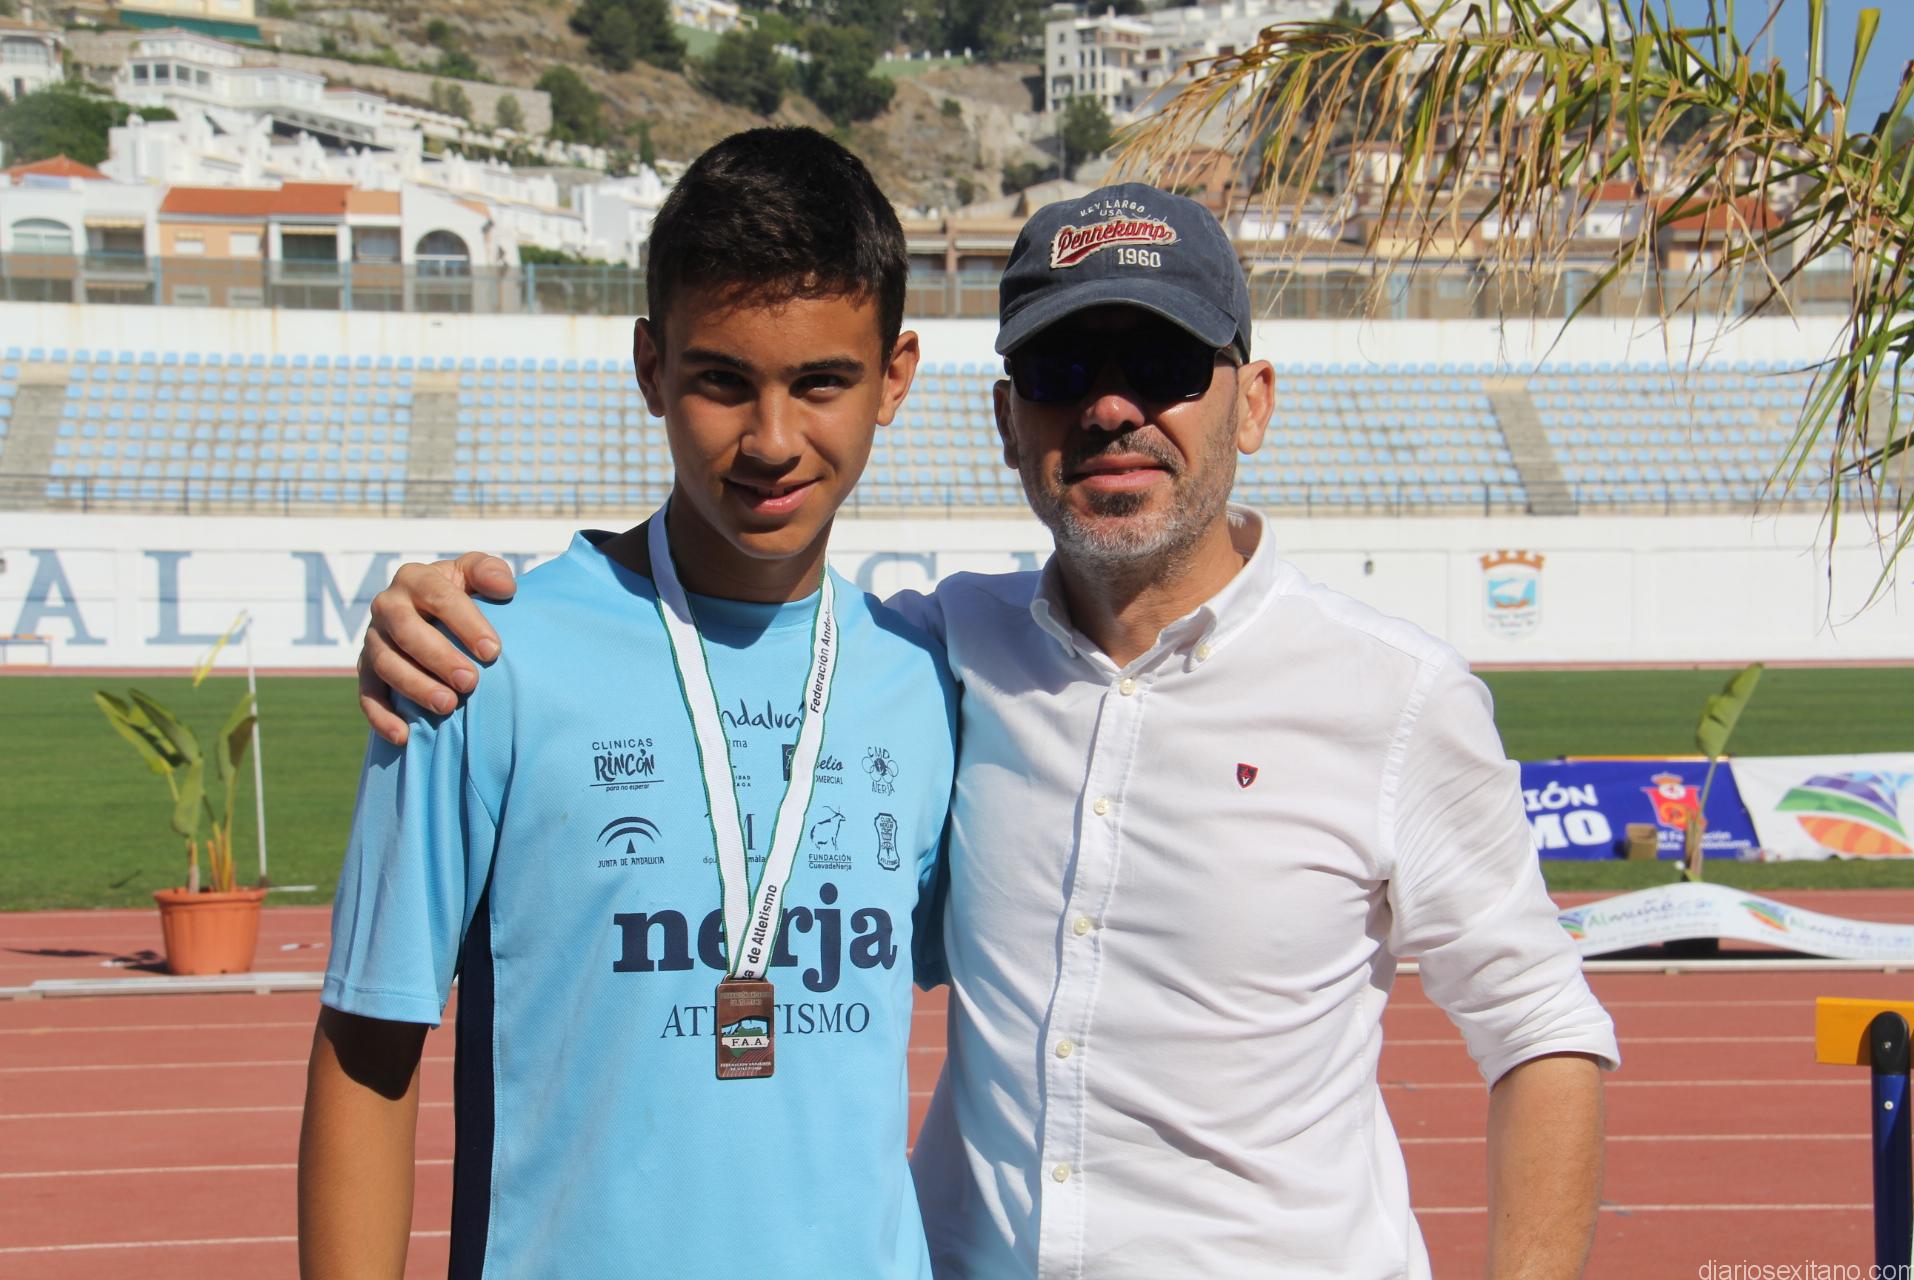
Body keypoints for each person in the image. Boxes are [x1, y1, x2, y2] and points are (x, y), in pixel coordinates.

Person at [354, 182, 1619, 1279]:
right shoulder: (937, 654)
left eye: (1165, 365)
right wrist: (433, 611)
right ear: (1008, 418)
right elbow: (726, 626)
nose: (1112, 409)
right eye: (1065, 371)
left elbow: (1544, 1028)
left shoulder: (1394, 695)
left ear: (1254, 400)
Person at [297, 127, 958, 1279]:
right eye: (721, 381)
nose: (772, 440)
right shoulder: (479, 659)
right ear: (651, 366)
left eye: (821, 382)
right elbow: (368, 1045)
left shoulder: (928, 681)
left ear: (894, 377)